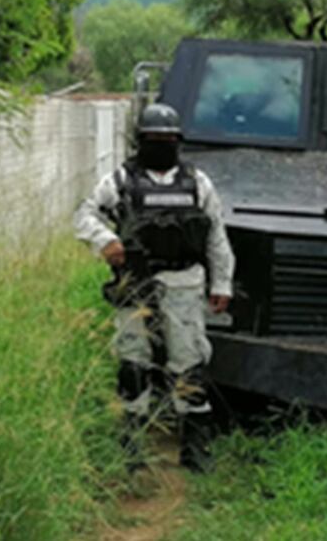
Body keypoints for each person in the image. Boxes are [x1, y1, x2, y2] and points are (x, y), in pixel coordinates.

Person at [74, 103, 235, 473]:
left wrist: (222, 282)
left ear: (178, 141)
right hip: (135, 283)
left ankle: (195, 451)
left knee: (189, 365)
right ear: (140, 141)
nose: (160, 146)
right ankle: (132, 449)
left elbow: (216, 237)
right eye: (153, 140)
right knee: (133, 364)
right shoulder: (119, 181)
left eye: (167, 140)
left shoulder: (197, 182)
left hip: (185, 285)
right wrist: (105, 240)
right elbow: (83, 215)